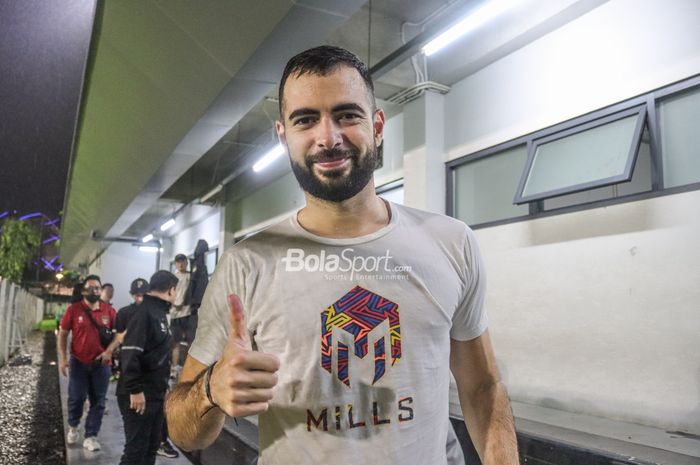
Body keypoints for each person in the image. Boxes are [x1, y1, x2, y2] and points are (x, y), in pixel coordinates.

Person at [166, 46, 519, 465]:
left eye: (347, 115)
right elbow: (183, 433)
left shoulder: (450, 242)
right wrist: (211, 391)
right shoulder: (248, 264)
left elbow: (482, 388)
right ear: (284, 136)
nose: (328, 137)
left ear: (378, 125)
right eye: (306, 119)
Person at [117, 271, 179, 465]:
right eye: (176, 290)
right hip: (139, 394)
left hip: (154, 393)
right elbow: (130, 353)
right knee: (135, 452)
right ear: (171, 290)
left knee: (151, 448)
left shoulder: (159, 313)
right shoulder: (144, 313)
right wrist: (135, 390)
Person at [58, 275, 117, 452]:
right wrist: (63, 358)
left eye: (97, 288)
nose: (94, 291)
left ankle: (91, 436)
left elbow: (120, 334)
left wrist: (109, 350)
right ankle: (74, 425)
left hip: (102, 364)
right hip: (78, 363)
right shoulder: (74, 310)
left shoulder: (109, 311)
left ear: (101, 290)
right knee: (76, 397)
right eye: (90, 288)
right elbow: (62, 334)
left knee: (98, 401)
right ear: (84, 290)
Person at [170, 253, 194, 376]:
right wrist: (173, 304)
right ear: (175, 263)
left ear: (186, 263)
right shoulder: (172, 277)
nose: (181, 264)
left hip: (188, 314)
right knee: (175, 343)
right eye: (178, 262)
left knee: (191, 342)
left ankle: (189, 368)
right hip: (175, 314)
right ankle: (174, 368)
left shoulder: (191, 276)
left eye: (183, 261)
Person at [186, 239, 209, 315]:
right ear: (201, 253)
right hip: (196, 302)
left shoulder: (202, 266)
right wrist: (191, 300)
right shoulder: (197, 265)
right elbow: (193, 282)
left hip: (200, 301)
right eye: (205, 253)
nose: (207, 255)